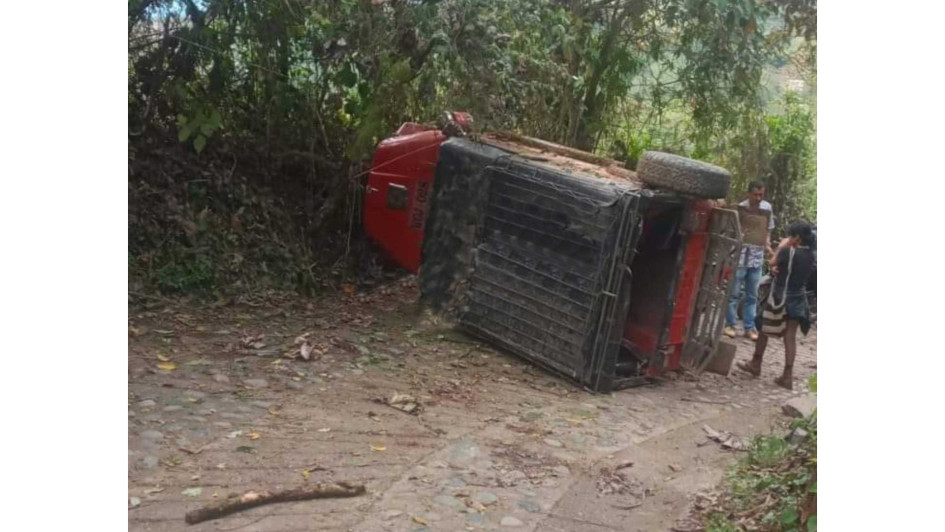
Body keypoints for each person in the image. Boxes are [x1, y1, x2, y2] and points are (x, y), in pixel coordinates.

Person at [736, 222, 816, 390]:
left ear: (797, 238)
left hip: (780, 296)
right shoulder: (810, 255)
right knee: (790, 336)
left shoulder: (787, 251)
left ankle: (756, 363)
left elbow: (772, 262)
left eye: (791, 235)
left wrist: (781, 246)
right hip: (798, 298)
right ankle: (787, 376)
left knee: (763, 327)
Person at [724, 181, 775, 341]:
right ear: (749, 194)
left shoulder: (767, 208)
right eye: (755, 194)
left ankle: (749, 327)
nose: (758, 198)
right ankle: (730, 324)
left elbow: (768, 230)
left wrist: (767, 244)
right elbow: (732, 232)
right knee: (733, 294)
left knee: (752, 295)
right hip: (740, 256)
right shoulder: (741, 208)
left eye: (761, 195)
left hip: (756, 257)